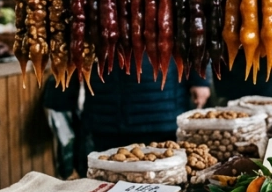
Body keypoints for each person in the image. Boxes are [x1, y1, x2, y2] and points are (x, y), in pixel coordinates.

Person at [82, 56, 211, 152]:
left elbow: (195, 33)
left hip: (161, 108)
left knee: (164, 168)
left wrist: (200, 78)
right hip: (106, 112)